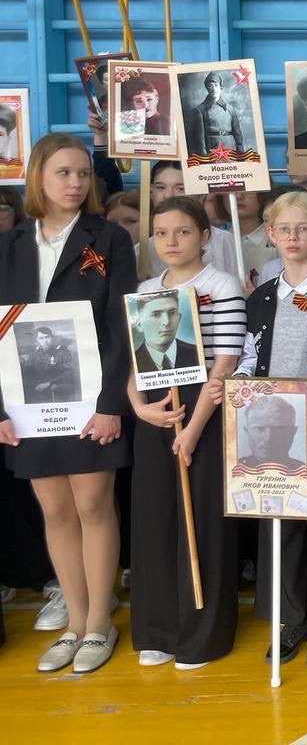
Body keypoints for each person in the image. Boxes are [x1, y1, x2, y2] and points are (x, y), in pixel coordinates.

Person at [0, 133, 137, 675]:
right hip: (28, 403)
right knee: (55, 511)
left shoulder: (109, 239)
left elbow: (121, 325)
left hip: (92, 398)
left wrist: (110, 404)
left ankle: (100, 622)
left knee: (93, 506)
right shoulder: (8, 244)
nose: (76, 183)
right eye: (63, 172)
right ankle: (75, 624)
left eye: (83, 173)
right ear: (38, 176)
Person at [216, 190, 307, 668]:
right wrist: (237, 386)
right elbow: (248, 357)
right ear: (271, 233)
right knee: (280, 525)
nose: (294, 236)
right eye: (284, 229)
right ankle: (290, 618)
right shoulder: (260, 298)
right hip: (269, 431)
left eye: (303, 228)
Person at [127, 196, 245, 669]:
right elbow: (136, 358)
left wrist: (194, 429)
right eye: (161, 233)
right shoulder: (145, 288)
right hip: (156, 409)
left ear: (204, 236)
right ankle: (157, 628)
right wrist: (139, 407)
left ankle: (202, 635)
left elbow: (226, 362)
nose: (171, 241)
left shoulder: (221, 284)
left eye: (183, 232)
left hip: (204, 411)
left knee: (202, 522)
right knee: (155, 519)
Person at [132, 293, 199, 372]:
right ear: (139, 324)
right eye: (156, 314)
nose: (166, 322)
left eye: (172, 313)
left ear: (179, 318)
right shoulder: (132, 363)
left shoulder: (197, 353)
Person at [184, 72, 243, 157]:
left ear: (221, 87)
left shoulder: (230, 109)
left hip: (230, 149)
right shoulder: (200, 110)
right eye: (210, 86)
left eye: (216, 85)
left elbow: (238, 134)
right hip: (212, 152)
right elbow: (200, 139)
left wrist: (241, 155)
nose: (214, 89)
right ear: (207, 88)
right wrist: (204, 157)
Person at [19, 325, 80, 401]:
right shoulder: (34, 353)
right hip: (38, 388)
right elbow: (28, 372)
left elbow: (69, 372)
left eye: (47, 337)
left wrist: (49, 383)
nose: (45, 341)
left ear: (52, 337)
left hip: (57, 387)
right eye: (41, 338)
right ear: (37, 340)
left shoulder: (62, 352)